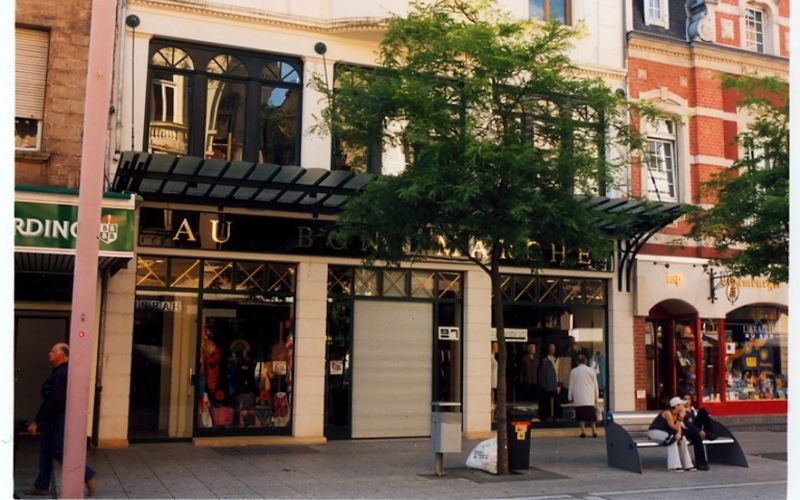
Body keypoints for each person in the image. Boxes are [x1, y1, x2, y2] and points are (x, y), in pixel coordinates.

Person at [25, 343, 98, 496]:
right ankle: (41, 485)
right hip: (51, 417)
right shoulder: (58, 372)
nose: (50, 353)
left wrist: (38, 421)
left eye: (54, 351)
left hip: (57, 418)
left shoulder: (62, 373)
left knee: (57, 449)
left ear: (63, 355)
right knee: (46, 451)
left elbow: (54, 400)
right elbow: (49, 400)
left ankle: (88, 474)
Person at [647, 396, 695, 472]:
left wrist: (679, 434)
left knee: (682, 438)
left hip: (667, 433)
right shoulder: (667, 413)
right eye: (681, 405)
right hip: (655, 432)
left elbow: (678, 428)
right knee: (672, 438)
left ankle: (687, 465)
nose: (683, 406)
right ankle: (674, 466)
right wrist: (680, 418)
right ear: (676, 406)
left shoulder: (678, 414)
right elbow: (673, 427)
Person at [680, 393, 715, 471]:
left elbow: (696, 421)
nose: (687, 401)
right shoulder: (681, 410)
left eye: (688, 399)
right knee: (697, 438)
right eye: (685, 399)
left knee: (703, 411)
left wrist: (700, 429)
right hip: (687, 430)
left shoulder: (693, 409)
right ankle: (701, 463)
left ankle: (710, 432)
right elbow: (684, 424)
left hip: (695, 428)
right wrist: (698, 431)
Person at [568, 354, 599, 438]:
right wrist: (597, 397)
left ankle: (583, 431)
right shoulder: (591, 371)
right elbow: (596, 385)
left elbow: (571, 385)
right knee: (591, 416)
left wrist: (570, 396)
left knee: (581, 416)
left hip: (579, 397)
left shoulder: (574, 371)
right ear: (586, 361)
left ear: (577, 362)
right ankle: (594, 431)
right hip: (590, 397)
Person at [538, 343, 559, 425]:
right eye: (551, 348)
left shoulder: (556, 359)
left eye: (553, 348)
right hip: (548, 384)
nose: (552, 350)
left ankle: (555, 415)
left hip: (555, 384)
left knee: (556, 401)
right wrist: (543, 384)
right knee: (546, 401)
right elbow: (542, 373)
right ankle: (546, 416)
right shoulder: (545, 360)